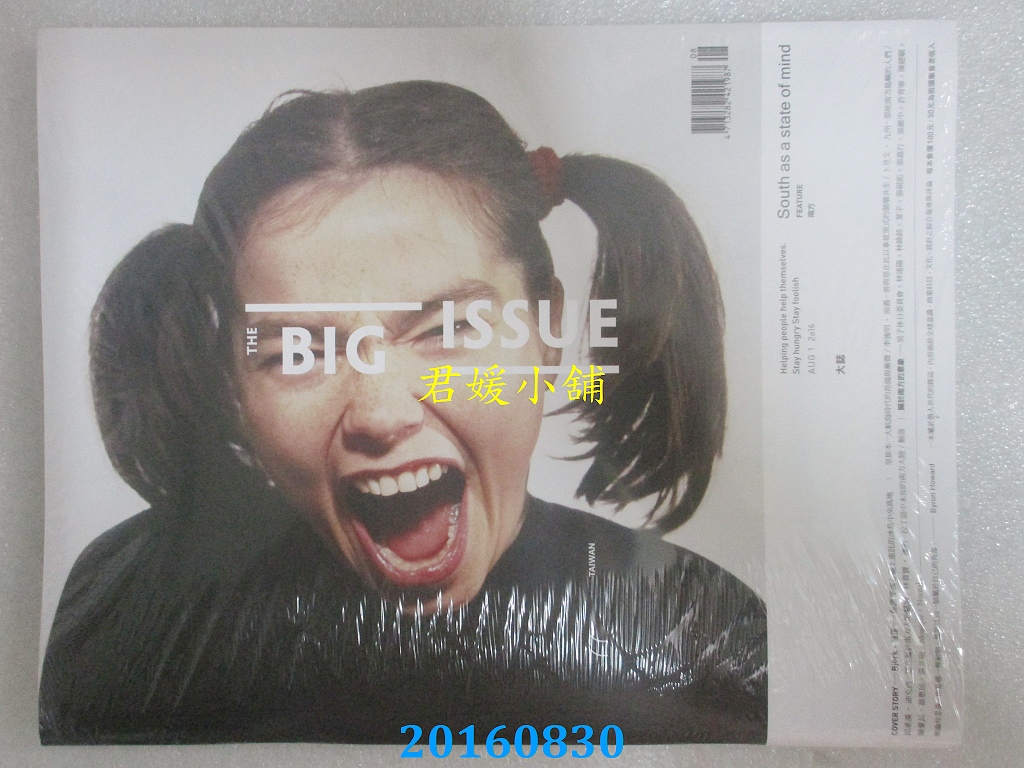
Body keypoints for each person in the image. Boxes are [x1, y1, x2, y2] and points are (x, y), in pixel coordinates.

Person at [39, 81, 767, 745]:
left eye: (448, 329)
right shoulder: (121, 617)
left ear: (547, 331)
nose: (381, 414)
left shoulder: (699, 633)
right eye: (299, 353)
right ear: (234, 383)